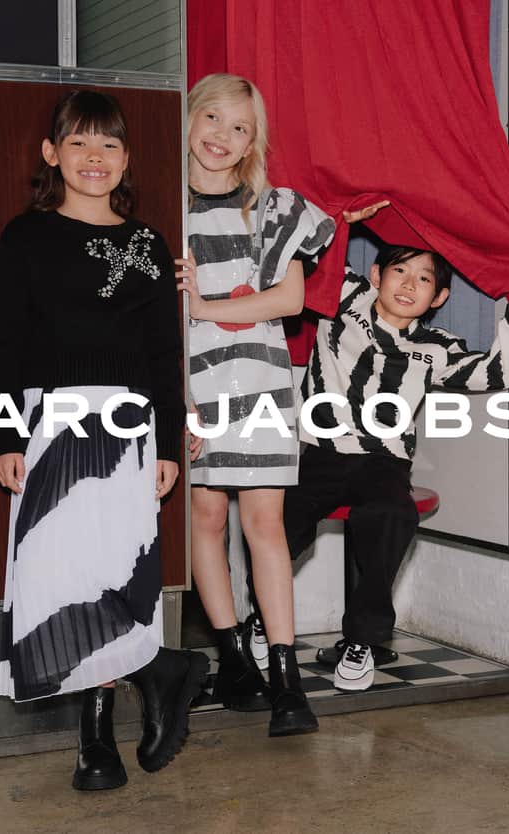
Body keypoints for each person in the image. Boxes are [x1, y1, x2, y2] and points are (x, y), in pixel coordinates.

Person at [0, 90, 209, 792]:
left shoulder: (147, 245)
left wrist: (167, 441)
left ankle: (99, 737)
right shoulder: (26, 236)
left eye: (109, 144)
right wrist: (5, 435)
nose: (94, 156)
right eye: (78, 142)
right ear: (51, 153)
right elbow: (4, 344)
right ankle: (159, 670)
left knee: (111, 574)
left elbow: (162, 354)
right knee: (57, 577)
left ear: (126, 158)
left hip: (127, 427)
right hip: (49, 423)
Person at [249, 204, 509, 691]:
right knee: (278, 519)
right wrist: (343, 221)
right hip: (319, 451)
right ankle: (263, 617)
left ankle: (361, 640)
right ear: (376, 275)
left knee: (392, 514)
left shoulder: (437, 347)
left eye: (424, 279)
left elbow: (496, 372)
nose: (409, 285)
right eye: (400, 271)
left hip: (384, 462)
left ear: (439, 296)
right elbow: (307, 255)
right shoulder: (344, 297)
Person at [175, 73, 335, 736]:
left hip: (262, 382)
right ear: (189, 118)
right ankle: (235, 658)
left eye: (239, 128)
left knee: (265, 523)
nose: (222, 136)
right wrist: (180, 401)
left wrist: (205, 306)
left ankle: (287, 681)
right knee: (206, 516)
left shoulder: (273, 209)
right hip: (192, 385)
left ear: (251, 145)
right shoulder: (162, 209)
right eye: (213, 118)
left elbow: (289, 301)